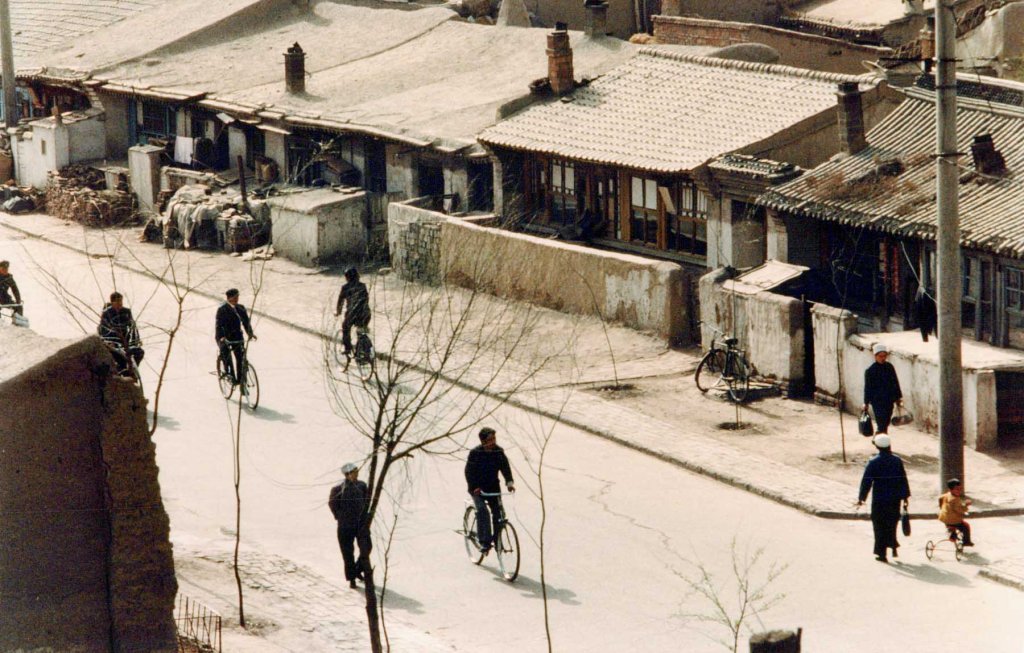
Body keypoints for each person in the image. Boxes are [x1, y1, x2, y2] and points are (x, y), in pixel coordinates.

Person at [857, 434, 911, 563]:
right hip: (895, 498)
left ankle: (882, 553)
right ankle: (893, 545)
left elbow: (866, 481)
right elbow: (903, 479)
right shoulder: (897, 460)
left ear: (877, 446)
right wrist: (905, 496)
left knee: (879, 524)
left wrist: (862, 497)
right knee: (892, 523)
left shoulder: (873, 462)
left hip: (879, 499)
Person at [464, 427, 515, 554]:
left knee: (499, 514)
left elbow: (505, 468)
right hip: (477, 489)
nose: (493, 442)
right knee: (483, 511)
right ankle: (484, 542)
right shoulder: (475, 453)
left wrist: (509, 483)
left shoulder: (498, 451)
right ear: (483, 441)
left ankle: (497, 540)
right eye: (490, 439)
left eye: (494, 439)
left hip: (493, 488)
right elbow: (469, 472)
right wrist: (474, 487)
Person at [328, 462, 370, 589]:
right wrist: (339, 516)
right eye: (354, 472)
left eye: (357, 471)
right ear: (347, 475)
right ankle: (352, 578)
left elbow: (366, 501)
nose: (357, 473)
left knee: (367, 547)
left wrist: (364, 516)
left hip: (360, 524)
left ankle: (357, 569)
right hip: (345, 526)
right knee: (347, 553)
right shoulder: (338, 489)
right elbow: (332, 504)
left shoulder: (362, 485)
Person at [215, 288, 256, 392]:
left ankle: (242, 383)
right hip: (224, 337)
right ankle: (229, 375)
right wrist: (221, 337)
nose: (236, 299)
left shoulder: (241, 308)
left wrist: (250, 333)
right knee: (227, 356)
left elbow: (246, 322)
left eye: (237, 297)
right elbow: (219, 325)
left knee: (241, 358)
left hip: (237, 336)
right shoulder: (222, 309)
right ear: (229, 298)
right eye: (234, 297)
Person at [98, 292, 144, 375]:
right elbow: (103, 331)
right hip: (113, 344)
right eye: (117, 301)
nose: (120, 303)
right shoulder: (107, 313)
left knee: (139, 352)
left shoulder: (126, 312)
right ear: (112, 302)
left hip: (126, 343)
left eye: (121, 301)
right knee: (117, 357)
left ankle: (131, 371)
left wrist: (136, 341)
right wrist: (109, 342)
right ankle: (122, 371)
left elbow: (133, 328)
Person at [863, 343, 903, 434]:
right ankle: (882, 438)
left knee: (886, 420)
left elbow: (895, 382)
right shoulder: (870, 371)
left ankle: (880, 436)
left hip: (889, 399)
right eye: (880, 356)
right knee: (881, 422)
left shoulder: (889, 367)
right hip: (877, 401)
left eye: (884, 356)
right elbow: (867, 388)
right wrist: (866, 402)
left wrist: (898, 397)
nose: (883, 358)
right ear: (875, 356)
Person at [335, 267, 370, 357]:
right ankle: (362, 349)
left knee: (345, 327)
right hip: (365, 313)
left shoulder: (345, 287)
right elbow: (366, 299)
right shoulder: (362, 286)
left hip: (352, 314)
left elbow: (340, 301)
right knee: (361, 331)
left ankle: (347, 348)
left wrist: (338, 311)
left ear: (347, 277)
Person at [939, 478, 974, 547]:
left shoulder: (947, 495)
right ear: (951, 490)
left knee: (951, 526)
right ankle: (966, 542)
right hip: (954, 520)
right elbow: (959, 509)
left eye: (960, 489)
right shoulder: (954, 499)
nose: (959, 491)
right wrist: (966, 506)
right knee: (966, 526)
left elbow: (940, 498)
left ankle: (952, 534)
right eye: (957, 489)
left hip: (945, 518)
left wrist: (941, 508)